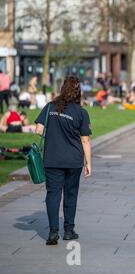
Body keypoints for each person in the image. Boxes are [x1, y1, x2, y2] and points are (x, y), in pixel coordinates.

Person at [35, 76, 92, 246]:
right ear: (78, 92)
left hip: (52, 158)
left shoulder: (50, 106)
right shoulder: (81, 112)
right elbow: (85, 140)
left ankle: (53, 232)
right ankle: (68, 230)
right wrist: (88, 163)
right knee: (70, 194)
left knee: (52, 194)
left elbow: (38, 130)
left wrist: (53, 136)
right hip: (73, 160)